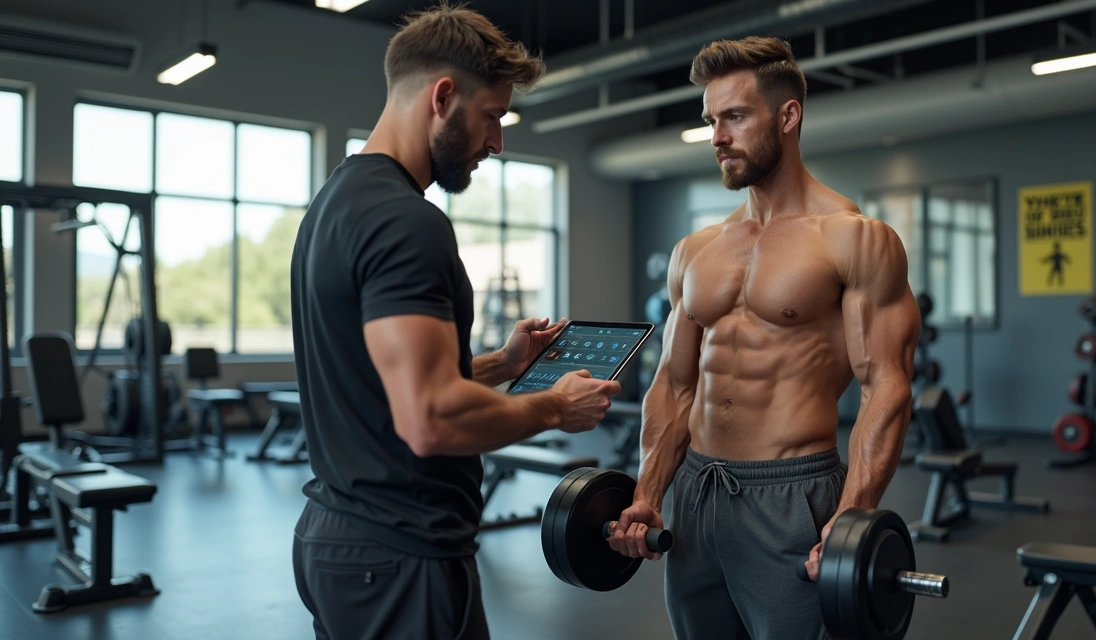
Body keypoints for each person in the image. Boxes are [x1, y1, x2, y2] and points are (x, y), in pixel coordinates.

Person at [289, 5, 621, 640]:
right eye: (493, 116)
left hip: (341, 537)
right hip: (400, 554)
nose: (496, 142)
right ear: (443, 97)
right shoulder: (408, 224)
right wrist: (555, 405)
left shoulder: (334, 205)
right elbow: (430, 419)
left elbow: (385, 383)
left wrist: (504, 364)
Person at [607, 36, 920, 640]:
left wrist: (853, 510)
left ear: (788, 116)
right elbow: (673, 385)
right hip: (697, 496)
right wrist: (649, 491)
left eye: (734, 117)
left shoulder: (853, 238)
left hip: (791, 498)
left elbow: (887, 384)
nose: (717, 137)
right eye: (710, 121)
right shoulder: (694, 251)